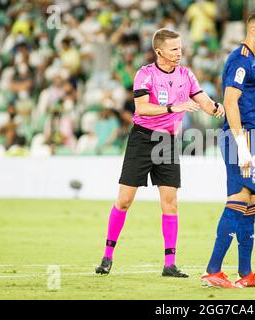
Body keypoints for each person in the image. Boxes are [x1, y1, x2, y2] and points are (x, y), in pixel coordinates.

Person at [95, 28, 225, 277]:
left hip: (167, 142)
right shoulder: (145, 74)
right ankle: (107, 257)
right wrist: (173, 107)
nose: (180, 52)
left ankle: (170, 264)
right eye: (174, 48)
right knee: (124, 200)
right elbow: (142, 108)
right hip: (142, 139)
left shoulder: (186, 75)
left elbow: (202, 101)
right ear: (159, 51)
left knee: (170, 203)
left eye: (180, 47)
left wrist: (216, 107)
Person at [201, 11, 255, 289]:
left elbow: (249, 106)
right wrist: (243, 147)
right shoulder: (240, 60)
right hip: (241, 136)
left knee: (251, 203)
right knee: (239, 196)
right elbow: (230, 103)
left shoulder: (253, 63)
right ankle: (213, 270)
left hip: (254, 136)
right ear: (253, 29)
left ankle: (245, 274)